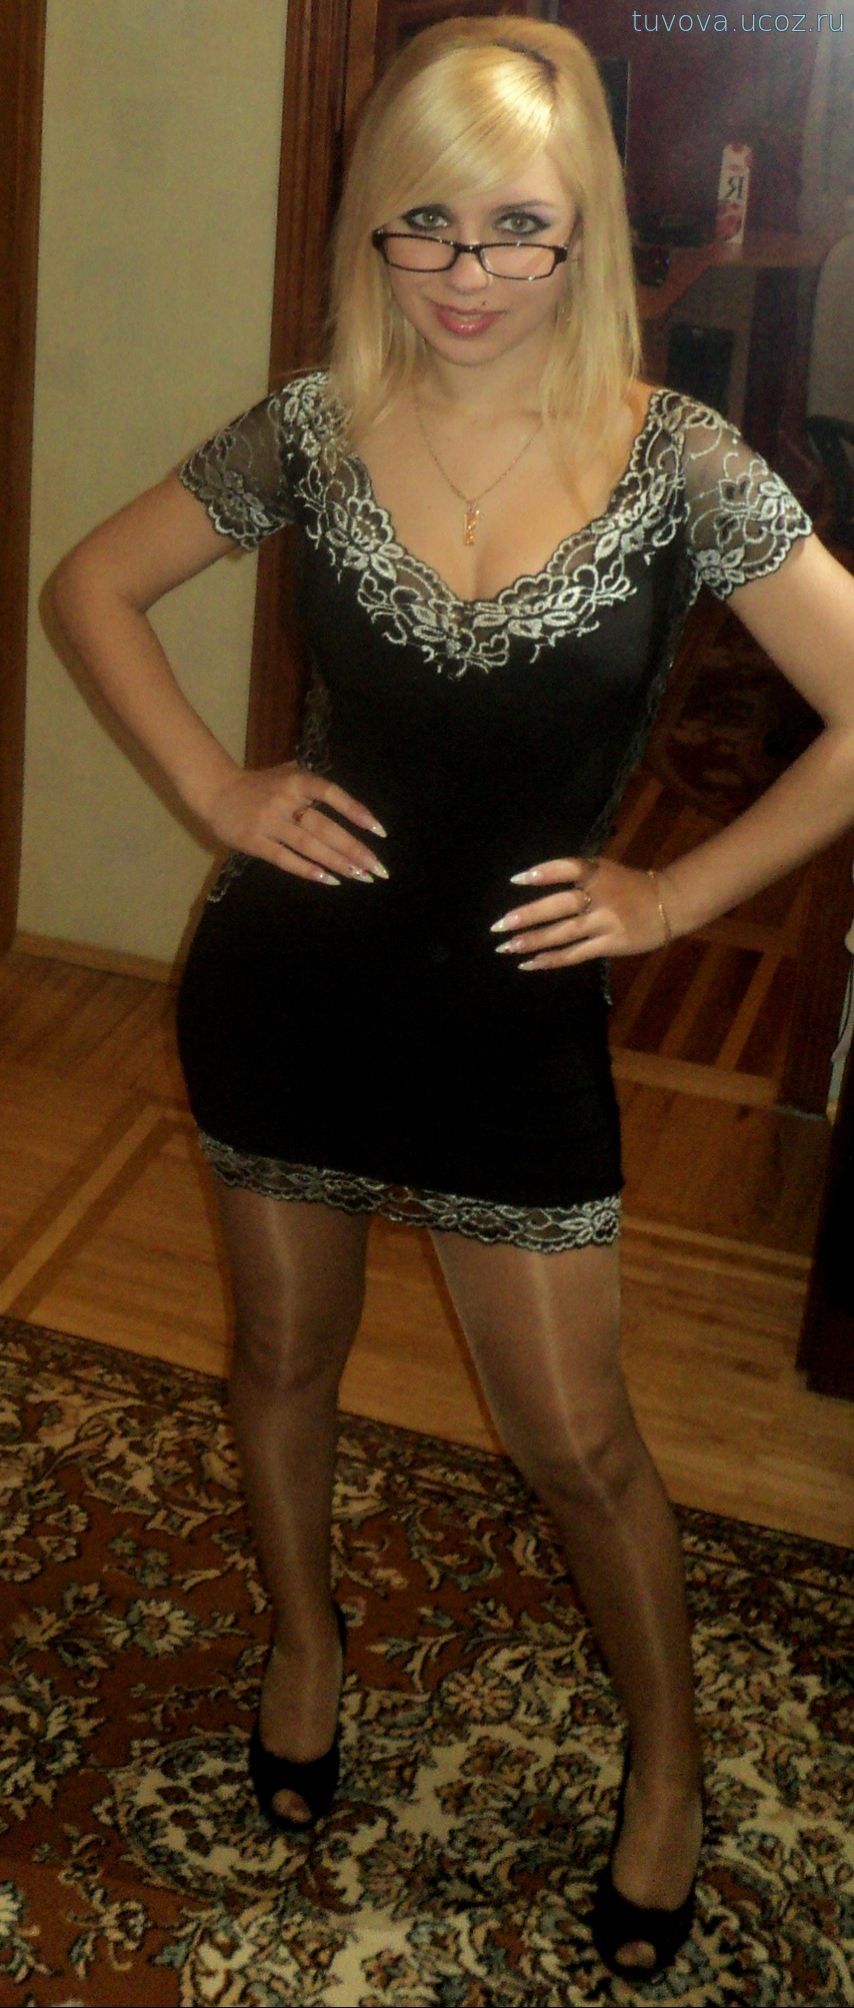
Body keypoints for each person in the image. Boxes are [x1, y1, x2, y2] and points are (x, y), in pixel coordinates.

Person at [52, 14, 854, 1983]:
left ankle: (666, 1761)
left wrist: (671, 893)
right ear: (371, 226)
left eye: (515, 227)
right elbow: (87, 586)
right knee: (278, 1362)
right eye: (423, 223)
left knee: (577, 1442)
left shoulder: (680, 463)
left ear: (585, 233)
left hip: (512, 1029)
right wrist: (214, 789)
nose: (467, 271)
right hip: (290, 986)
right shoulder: (312, 426)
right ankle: (304, 1641)